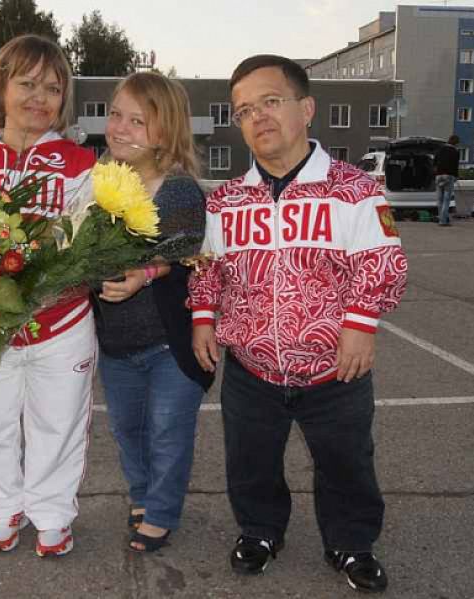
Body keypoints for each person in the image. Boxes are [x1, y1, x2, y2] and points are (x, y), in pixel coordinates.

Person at [189, 55, 407, 594]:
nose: (258, 117)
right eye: (244, 111)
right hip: (251, 369)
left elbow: (383, 259)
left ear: (305, 109)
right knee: (250, 460)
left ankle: (352, 542)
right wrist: (202, 319)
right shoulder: (224, 201)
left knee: (346, 462)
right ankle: (260, 532)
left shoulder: (355, 190)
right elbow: (208, 268)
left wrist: (361, 322)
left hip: (335, 370)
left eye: (270, 102)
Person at [0, 35, 96, 558]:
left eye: (53, 88)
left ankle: (53, 513)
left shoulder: (83, 163)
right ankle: (3, 506)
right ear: (1, 89)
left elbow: (94, 244)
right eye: (27, 83)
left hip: (62, 323)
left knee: (57, 423)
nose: (40, 97)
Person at [94, 72, 213, 553]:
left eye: (137, 121)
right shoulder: (97, 188)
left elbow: (185, 246)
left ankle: (161, 512)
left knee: (167, 432)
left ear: (165, 131)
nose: (120, 128)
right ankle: (142, 496)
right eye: (116, 114)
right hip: (116, 345)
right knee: (128, 432)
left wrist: (145, 273)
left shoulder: (180, 190)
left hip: (169, 344)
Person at [433, 134, 460, 226]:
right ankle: (443, 221)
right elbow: (455, 165)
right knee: (446, 200)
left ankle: (442, 218)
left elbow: (434, 162)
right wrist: (456, 176)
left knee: (439, 199)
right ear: (455, 143)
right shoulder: (455, 151)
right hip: (449, 176)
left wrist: (436, 172)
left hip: (438, 176)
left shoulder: (439, 149)